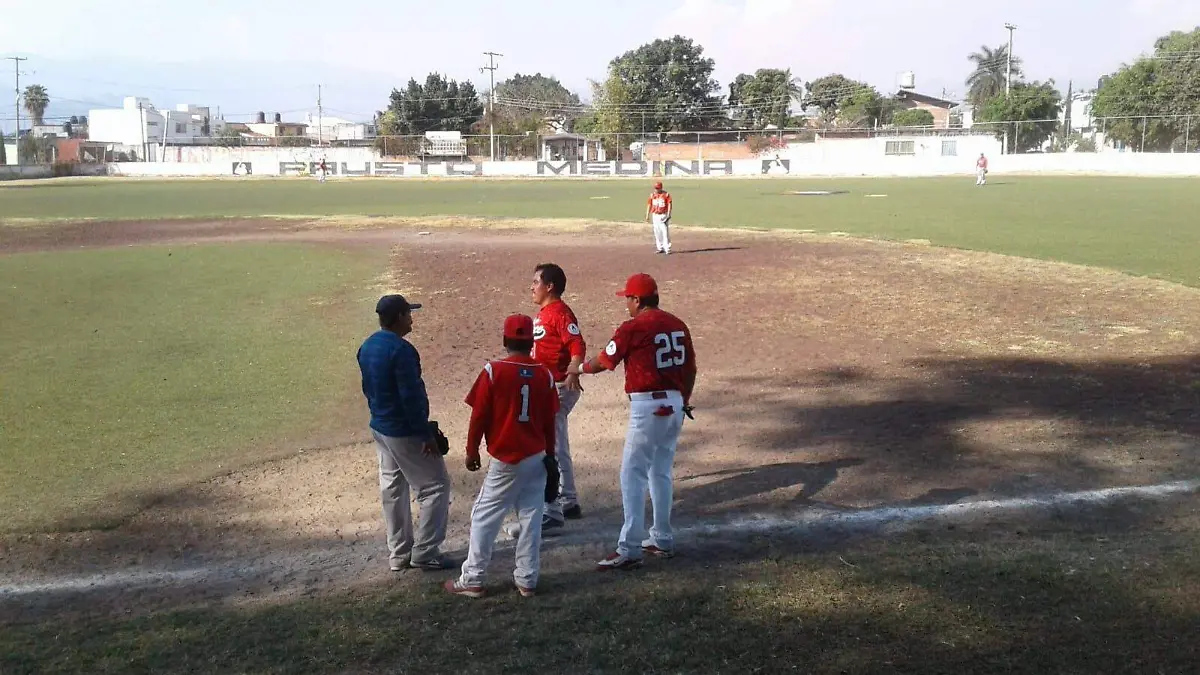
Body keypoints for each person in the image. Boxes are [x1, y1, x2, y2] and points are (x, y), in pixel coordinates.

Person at [568, 273, 697, 571]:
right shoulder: (677, 324)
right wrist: (683, 399)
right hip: (675, 403)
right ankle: (662, 538)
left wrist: (580, 369)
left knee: (632, 474)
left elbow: (604, 361)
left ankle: (629, 548)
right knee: (660, 471)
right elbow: (691, 368)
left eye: (627, 298)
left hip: (648, 406)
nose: (625, 303)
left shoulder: (634, 327)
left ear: (637, 300)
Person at [444, 314, 559, 598]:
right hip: (536, 456)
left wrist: (472, 450)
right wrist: (551, 456)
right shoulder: (544, 374)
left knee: (484, 516)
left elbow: (479, 416)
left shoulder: (493, 371)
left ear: (506, 340)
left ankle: (472, 578)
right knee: (531, 518)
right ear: (531, 341)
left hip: (506, 460)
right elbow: (549, 423)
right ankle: (527, 579)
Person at [356, 294, 454, 572]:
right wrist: (424, 435)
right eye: (408, 313)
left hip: (380, 427)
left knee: (393, 488)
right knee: (436, 486)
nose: (411, 318)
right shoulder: (402, 350)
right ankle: (426, 552)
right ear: (398, 317)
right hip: (404, 431)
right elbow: (411, 397)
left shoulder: (367, 346)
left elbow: (367, 389)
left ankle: (399, 553)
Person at [531, 263, 586, 529]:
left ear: (549, 286)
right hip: (548, 387)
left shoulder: (560, 313)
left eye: (536, 282)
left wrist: (573, 371)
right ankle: (568, 501)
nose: (532, 287)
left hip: (559, 388)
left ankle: (559, 503)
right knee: (553, 442)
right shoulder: (545, 313)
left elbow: (577, 344)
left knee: (552, 445)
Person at [645, 181, 673, 255]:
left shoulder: (666, 195)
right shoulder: (652, 195)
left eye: (657, 188)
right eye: (655, 188)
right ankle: (660, 248)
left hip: (663, 215)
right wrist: (647, 215)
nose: (656, 189)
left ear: (661, 188)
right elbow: (649, 205)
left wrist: (669, 214)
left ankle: (667, 248)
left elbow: (669, 204)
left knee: (665, 232)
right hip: (655, 215)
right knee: (657, 232)